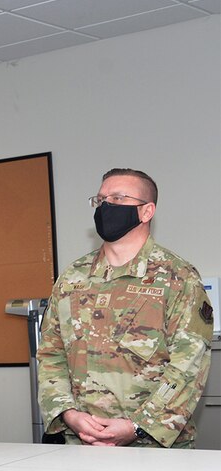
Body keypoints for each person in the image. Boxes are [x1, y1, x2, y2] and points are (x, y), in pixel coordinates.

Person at [37, 168, 213, 447]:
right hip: (80, 444)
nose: (106, 206)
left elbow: (188, 368)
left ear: (146, 212)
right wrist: (67, 413)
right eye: (101, 199)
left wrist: (138, 426)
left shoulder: (177, 277)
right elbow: (50, 352)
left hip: (152, 449)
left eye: (118, 199)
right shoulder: (73, 277)